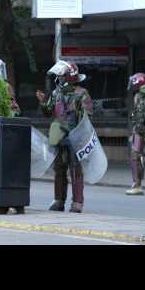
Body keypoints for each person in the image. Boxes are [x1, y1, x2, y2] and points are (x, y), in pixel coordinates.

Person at [36, 60, 93, 213]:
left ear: (69, 77)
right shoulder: (56, 93)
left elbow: (88, 118)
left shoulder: (82, 94)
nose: (59, 79)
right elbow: (49, 113)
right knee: (59, 169)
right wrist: (43, 102)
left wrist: (79, 136)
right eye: (58, 77)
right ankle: (58, 200)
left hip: (75, 138)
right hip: (59, 137)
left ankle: (77, 202)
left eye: (61, 77)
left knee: (75, 169)